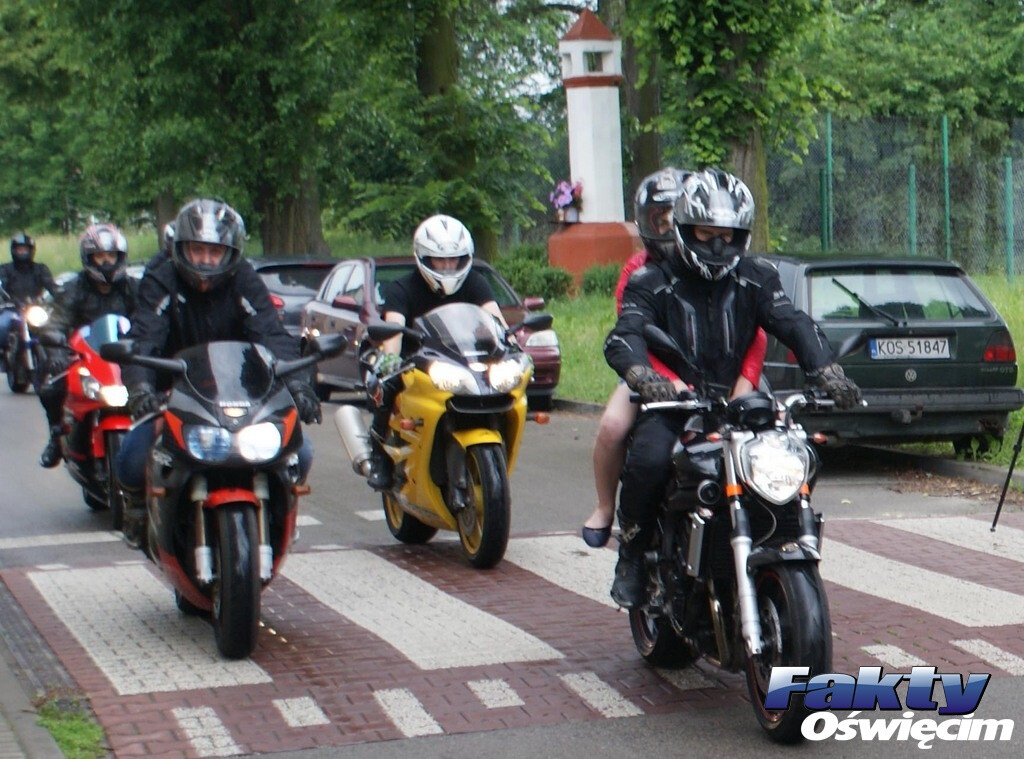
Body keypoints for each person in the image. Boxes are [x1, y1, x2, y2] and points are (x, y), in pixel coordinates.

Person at [603, 168, 861, 608]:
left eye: (728, 236)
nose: (718, 246)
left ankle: (780, 537)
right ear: (684, 228)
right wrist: (645, 378)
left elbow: (792, 322)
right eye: (706, 234)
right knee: (648, 459)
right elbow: (625, 334)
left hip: (739, 401)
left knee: (794, 457)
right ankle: (631, 556)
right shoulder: (650, 281)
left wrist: (827, 371)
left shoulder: (757, 277)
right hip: (675, 403)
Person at [115, 198, 321, 547]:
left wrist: (298, 386)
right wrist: (140, 389)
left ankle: (282, 512)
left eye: (215, 251)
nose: (206, 260)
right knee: (133, 457)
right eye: (198, 250)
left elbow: (271, 334)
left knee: (301, 453)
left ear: (231, 252)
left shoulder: (244, 280)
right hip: (174, 393)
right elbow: (144, 338)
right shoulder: (161, 280)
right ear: (181, 248)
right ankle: (137, 511)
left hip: (243, 393)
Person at [582, 168, 767, 548]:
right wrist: (668, 382)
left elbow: (756, 329)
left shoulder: (732, 268)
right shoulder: (639, 271)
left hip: (729, 375)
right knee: (613, 427)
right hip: (653, 374)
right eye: (660, 221)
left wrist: (745, 383)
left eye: (674, 219)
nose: (667, 230)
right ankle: (606, 508)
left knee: (778, 443)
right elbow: (634, 332)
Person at [365, 214, 507, 490]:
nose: (448, 266)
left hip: (466, 362)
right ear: (423, 258)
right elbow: (394, 330)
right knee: (387, 384)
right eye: (440, 260)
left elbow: (496, 322)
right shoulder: (401, 289)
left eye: (454, 259)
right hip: (418, 362)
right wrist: (391, 357)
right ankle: (380, 456)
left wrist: (512, 347)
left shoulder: (475, 283)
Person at [38, 224, 138, 467]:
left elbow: (148, 320)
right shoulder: (74, 289)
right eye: (100, 256)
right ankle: (56, 434)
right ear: (88, 258)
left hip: (125, 356)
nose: (106, 262)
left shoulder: (132, 288)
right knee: (50, 387)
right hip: (85, 356)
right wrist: (57, 353)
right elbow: (56, 323)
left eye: (111, 255)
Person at [0, 233, 61, 369]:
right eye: (19, 249)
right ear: (13, 251)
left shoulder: (40, 269)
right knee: (2, 327)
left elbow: (51, 286)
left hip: (36, 308)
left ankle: (57, 359)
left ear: (31, 250)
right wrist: (6, 299)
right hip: (12, 308)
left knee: (56, 326)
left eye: (25, 249)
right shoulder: (5, 269)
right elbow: (1, 285)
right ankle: (4, 354)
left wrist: (59, 295)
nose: (22, 252)